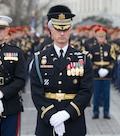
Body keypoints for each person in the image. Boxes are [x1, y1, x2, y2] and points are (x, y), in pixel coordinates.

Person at [30, 5, 93, 136]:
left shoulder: (83, 58)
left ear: (71, 30)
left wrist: (67, 113)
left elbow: (86, 91)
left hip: (74, 120)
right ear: (50, 31)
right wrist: (51, 115)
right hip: (47, 122)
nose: (62, 33)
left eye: (65, 29)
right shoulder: (40, 58)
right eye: (58, 29)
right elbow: (36, 92)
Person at [89, 27, 116, 119]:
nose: (101, 38)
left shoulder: (109, 47)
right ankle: (95, 112)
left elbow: (113, 60)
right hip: (96, 75)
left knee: (106, 95)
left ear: (105, 37)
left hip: (107, 74)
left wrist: (108, 69)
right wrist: (97, 70)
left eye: (103, 36)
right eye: (99, 36)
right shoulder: (92, 48)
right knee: (96, 94)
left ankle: (106, 112)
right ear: (96, 36)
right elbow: (90, 61)